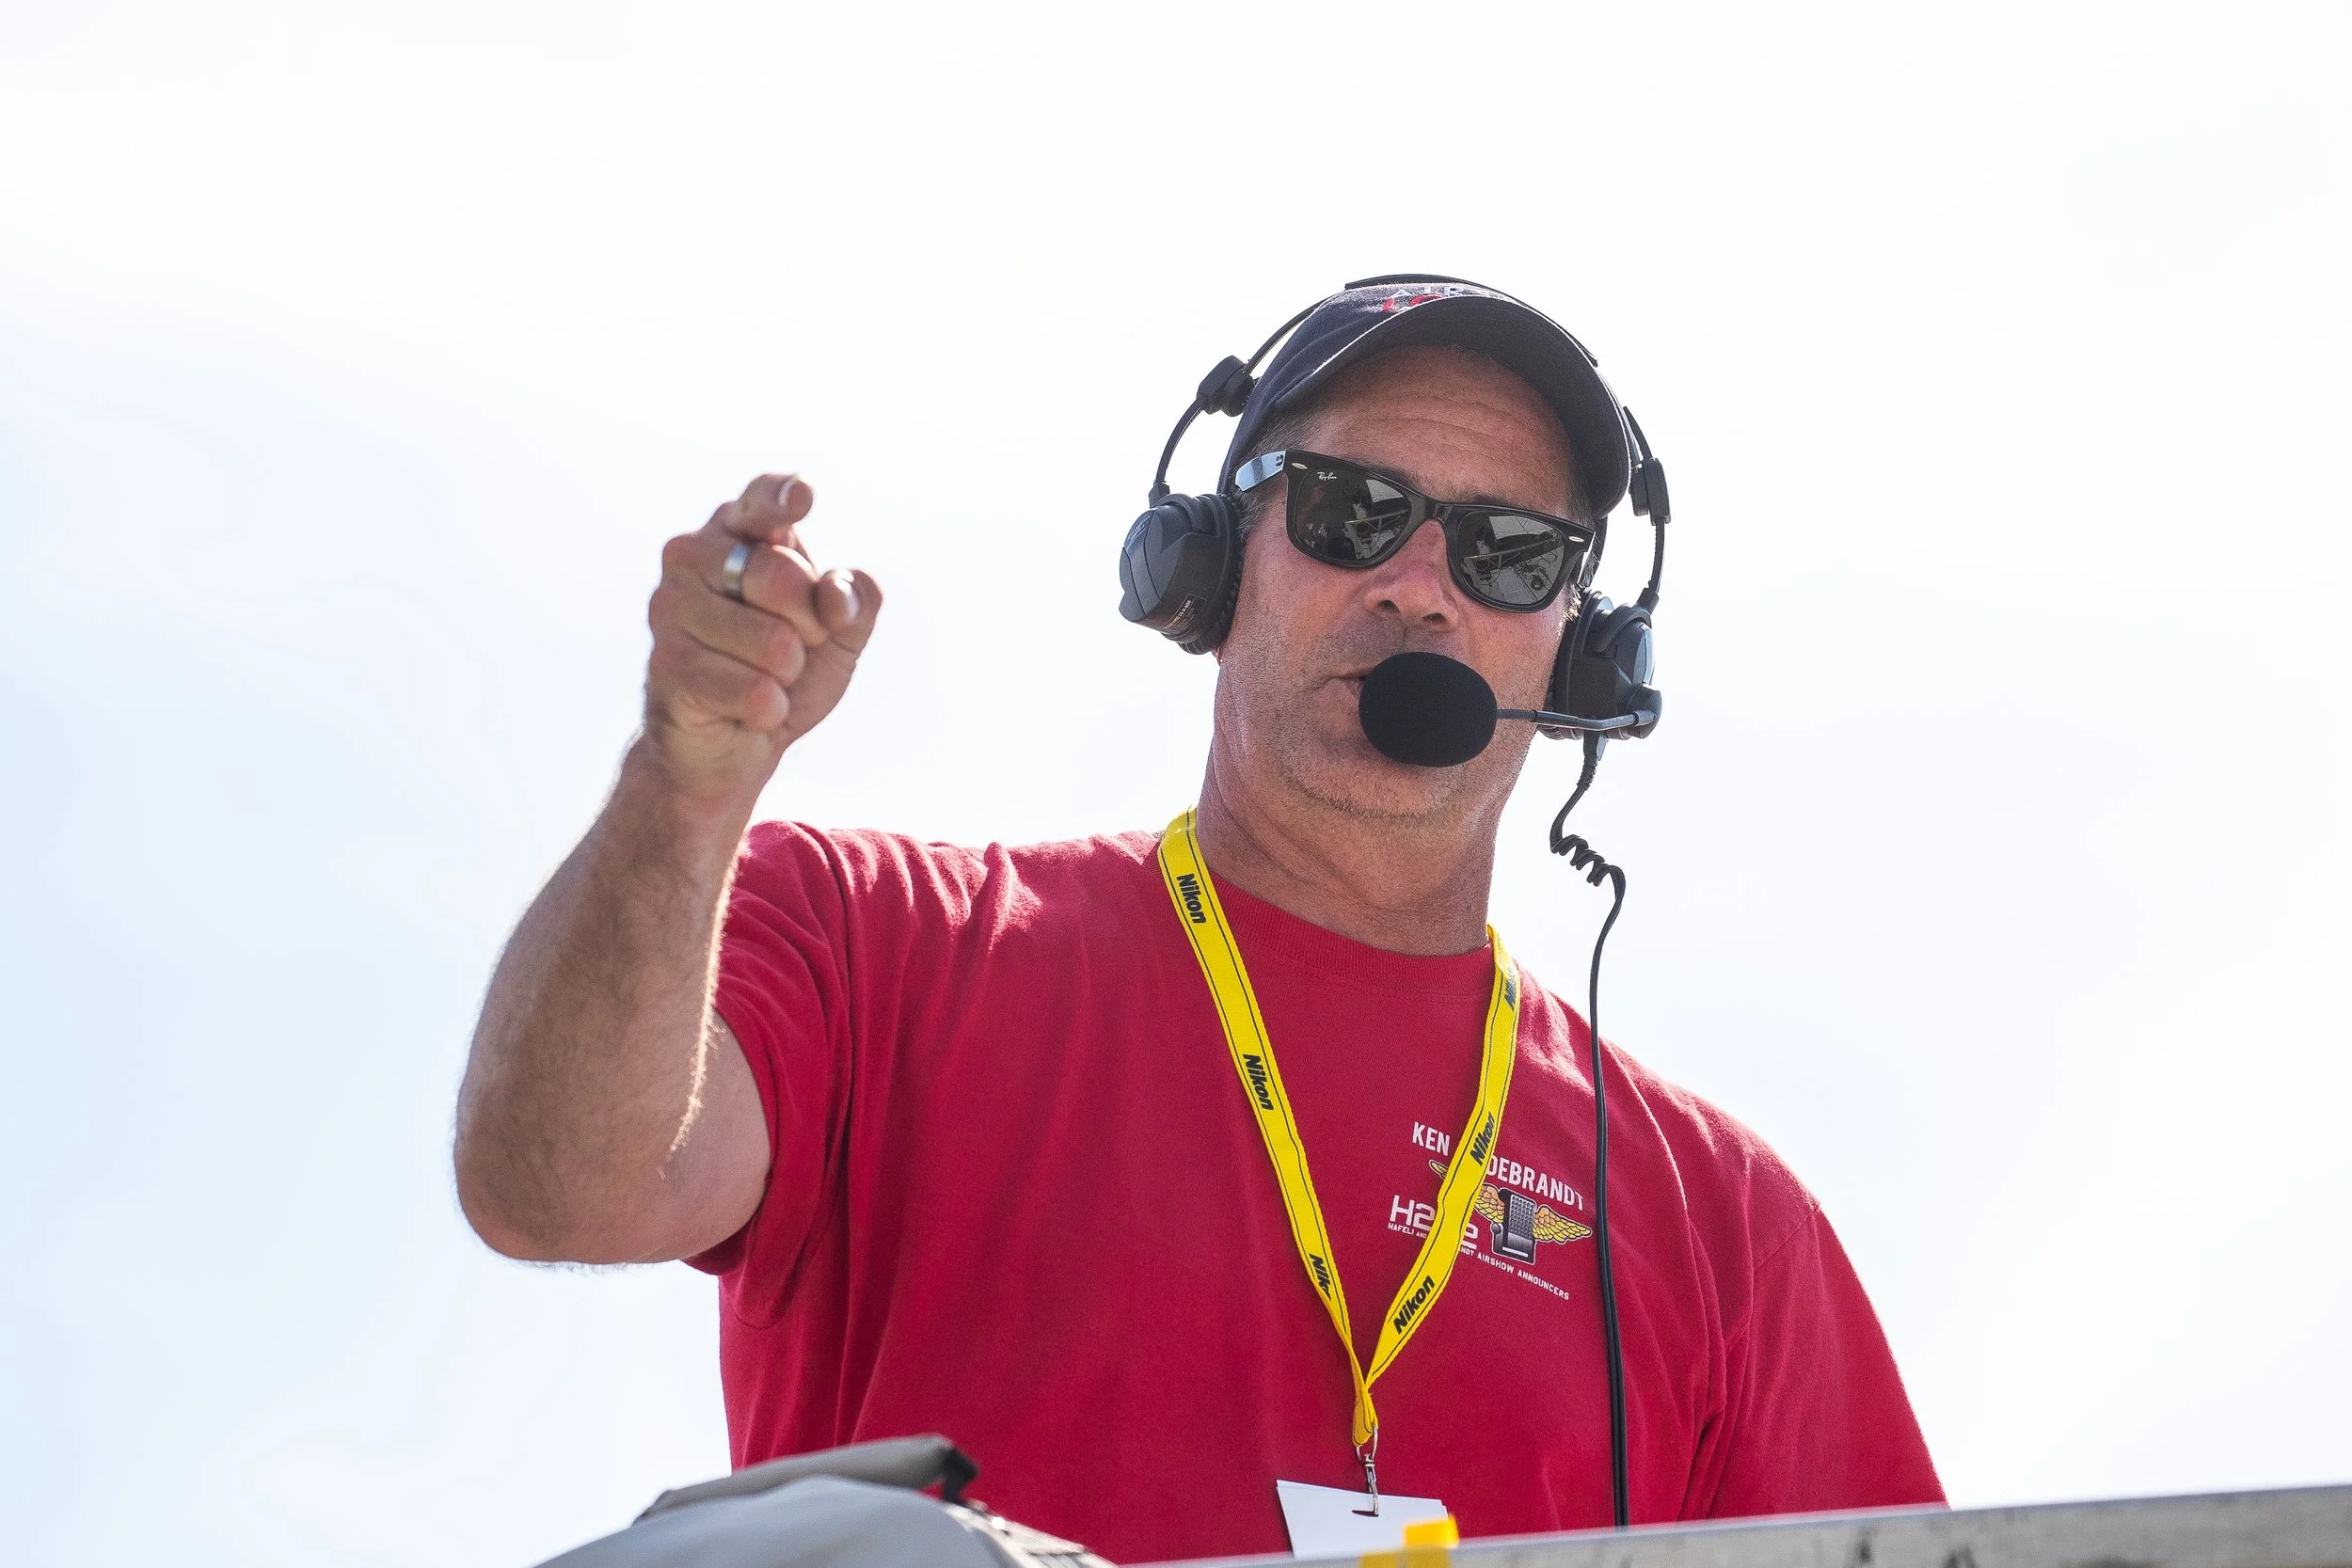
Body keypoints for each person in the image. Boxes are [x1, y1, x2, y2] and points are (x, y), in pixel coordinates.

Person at [454, 279, 1944, 1564]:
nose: (1420, 590)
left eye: (1508, 552)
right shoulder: (873, 936)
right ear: (1208, 567)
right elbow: (553, 1186)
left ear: (1585, 649)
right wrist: (684, 789)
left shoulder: (1732, 1228)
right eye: (1354, 512)